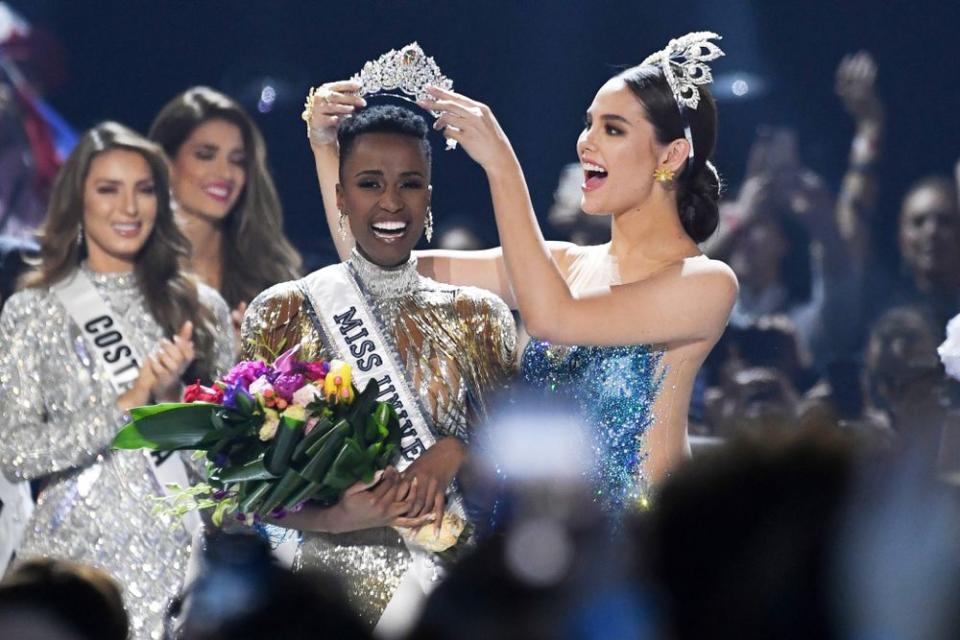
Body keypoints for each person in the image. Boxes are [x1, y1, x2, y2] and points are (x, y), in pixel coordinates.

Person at [307, 33, 737, 510]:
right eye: (588, 124)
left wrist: (502, 165)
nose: (586, 143)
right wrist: (327, 147)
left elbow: (555, 318)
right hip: (538, 539)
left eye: (612, 130)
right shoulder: (563, 265)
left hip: (639, 546)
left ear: (671, 156)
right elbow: (376, 267)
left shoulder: (705, 282)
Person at [240, 104, 516, 629]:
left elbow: (510, 476)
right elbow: (253, 485)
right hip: (321, 597)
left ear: (428, 196)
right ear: (340, 196)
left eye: (409, 184)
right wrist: (340, 516)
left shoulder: (480, 316)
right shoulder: (283, 311)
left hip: (444, 596)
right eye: (370, 183)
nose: (391, 202)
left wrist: (454, 451)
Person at [0, 122, 235, 639]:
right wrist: (127, 404)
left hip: (183, 567)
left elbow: (228, 474)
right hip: (71, 571)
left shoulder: (202, 309)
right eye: (109, 189)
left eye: (144, 189)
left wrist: (172, 404)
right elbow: (16, 454)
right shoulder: (32, 311)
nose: (129, 208)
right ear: (76, 201)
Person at [149, 87, 302, 334]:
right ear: (166, 164)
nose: (225, 174)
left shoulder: (268, 272)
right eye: (205, 155)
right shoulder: (138, 269)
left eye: (237, 160)